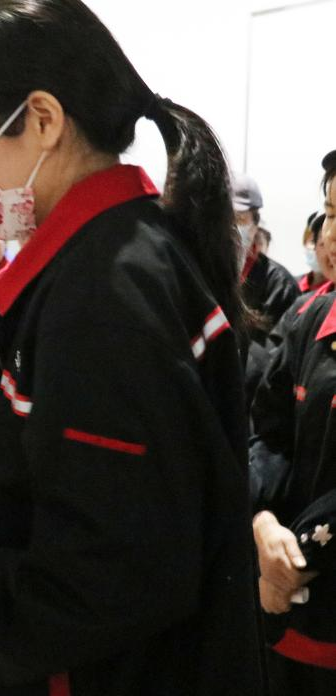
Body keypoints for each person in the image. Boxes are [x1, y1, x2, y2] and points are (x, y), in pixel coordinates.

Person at [0, 2, 263, 695]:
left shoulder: (105, 294)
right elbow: (69, 438)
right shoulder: (124, 250)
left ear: (41, 120)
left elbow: (105, 573)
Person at [250, 153, 336, 695]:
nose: (333, 232)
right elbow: (268, 434)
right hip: (291, 623)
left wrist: (298, 554)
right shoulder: (307, 318)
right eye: (331, 211)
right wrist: (261, 521)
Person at [234, 173, 300, 344]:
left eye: (239, 219)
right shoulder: (204, 273)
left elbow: (280, 350)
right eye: (224, 219)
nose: (231, 228)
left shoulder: (280, 285)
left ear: (255, 225)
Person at [300, 212, 328, 293]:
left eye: (324, 244)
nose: (314, 249)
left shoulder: (331, 290)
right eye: (312, 241)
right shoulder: (291, 285)